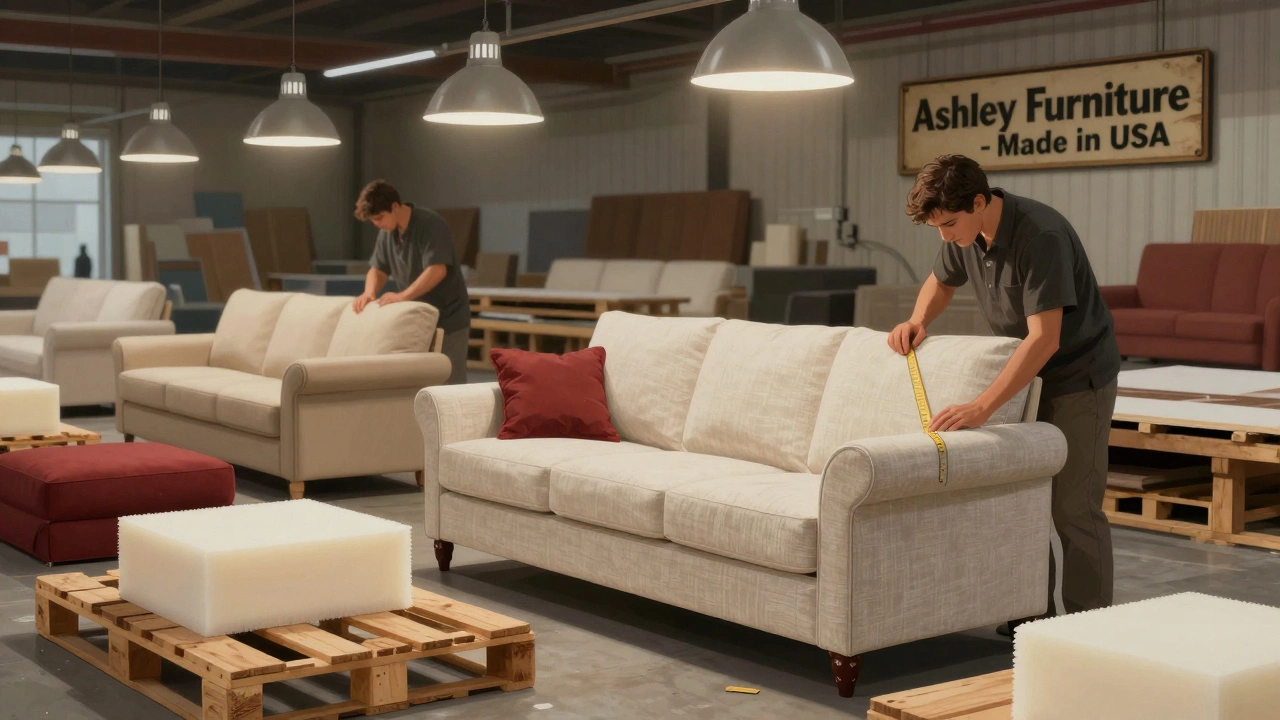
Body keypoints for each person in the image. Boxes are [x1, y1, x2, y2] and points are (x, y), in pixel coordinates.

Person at [890, 154, 1120, 632]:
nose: (945, 236)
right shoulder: (965, 231)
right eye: (936, 227)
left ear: (980, 200)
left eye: (950, 223)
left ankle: (1089, 627)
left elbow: (1045, 339)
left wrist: (982, 407)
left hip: (1077, 377)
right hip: (1027, 378)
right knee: (1024, 497)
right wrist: (918, 319)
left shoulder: (1041, 236)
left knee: (1071, 507)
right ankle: (1030, 614)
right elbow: (941, 280)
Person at [353, 179, 470, 385]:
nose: (377, 224)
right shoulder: (387, 233)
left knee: (449, 383)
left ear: (395, 206)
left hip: (448, 317)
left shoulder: (431, 225)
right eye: (373, 221)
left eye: (379, 217)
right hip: (418, 317)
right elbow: (378, 269)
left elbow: (437, 270)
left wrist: (402, 296)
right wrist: (369, 292)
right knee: (420, 383)